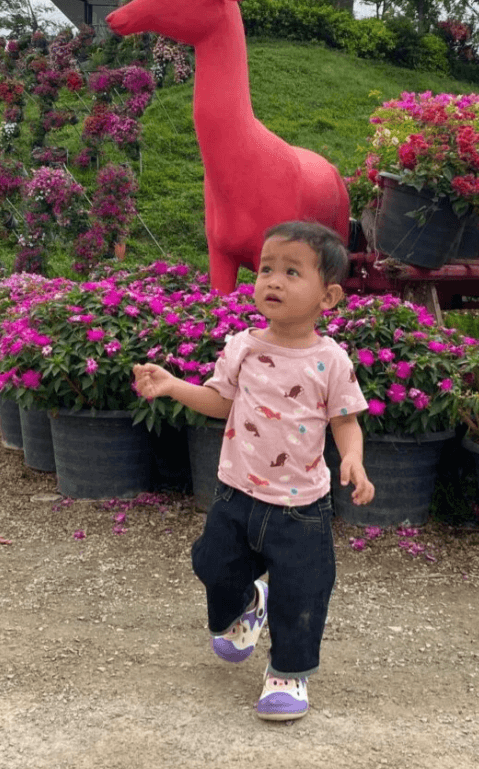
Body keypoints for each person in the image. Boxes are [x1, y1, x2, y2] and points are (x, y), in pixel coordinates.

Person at [133, 220, 375, 722]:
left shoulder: (331, 360)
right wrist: (174, 385)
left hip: (301, 508)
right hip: (235, 493)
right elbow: (220, 402)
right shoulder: (242, 346)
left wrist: (352, 458)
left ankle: (288, 672)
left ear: (328, 297)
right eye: (266, 269)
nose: (272, 281)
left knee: (302, 593)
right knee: (212, 565)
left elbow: (345, 421)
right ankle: (248, 603)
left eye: (291, 272)